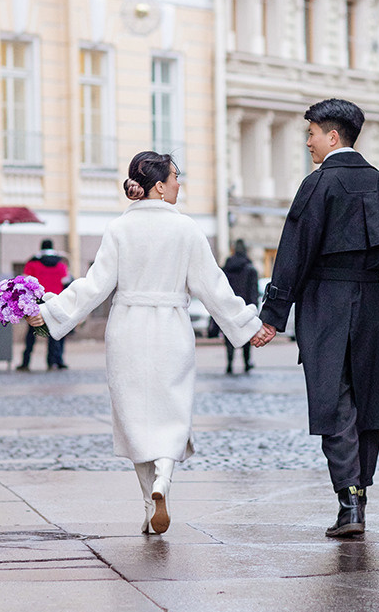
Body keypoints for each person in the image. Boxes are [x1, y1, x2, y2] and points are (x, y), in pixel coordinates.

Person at [26, 152, 271, 535]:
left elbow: (93, 287)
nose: (179, 184)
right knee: (172, 413)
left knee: (135, 419)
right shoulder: (187, 230)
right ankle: (163, 483)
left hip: (127, 330)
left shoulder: (119, 229)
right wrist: (247, 326)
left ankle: (148, 504)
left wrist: (52, 313)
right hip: (171, 329)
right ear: (159, 185)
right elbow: (213, 288)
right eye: (176, 177)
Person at [254, 99, 379, 538]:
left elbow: (293, 253)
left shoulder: (317, 185)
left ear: (333, 137)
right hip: (370, 304)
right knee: (368, 404)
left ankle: (348, 502)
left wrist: (273, 315)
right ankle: (359, 499)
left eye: (311, 133)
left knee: (336, 402)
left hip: (323, 306)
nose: (308, 142)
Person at [17, 240, 71, 371]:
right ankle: (54, 361)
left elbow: (25, 282)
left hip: (37, 303)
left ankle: (26, 361)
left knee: (32, 333)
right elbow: (66, 282)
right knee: (55, 332)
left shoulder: (32, 263)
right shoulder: (61, 264)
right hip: (55, 302)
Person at [222, 240, 259, 374]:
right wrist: (255, 308)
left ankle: (230, 364)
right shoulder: (250, 269)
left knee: (228, 337)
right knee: (247, 337)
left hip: (229, 308)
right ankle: (246, 363)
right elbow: (254, 290)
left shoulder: (226, 268)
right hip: (245, 307)